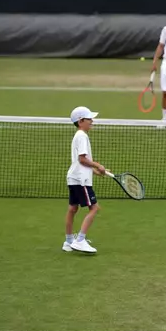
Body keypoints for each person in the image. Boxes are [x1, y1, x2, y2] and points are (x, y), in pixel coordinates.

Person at [63, 106, 106, 254]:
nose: (92, 121)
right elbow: (82, 159)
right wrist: (98, 165)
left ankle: (69, 241)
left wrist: (95, 171)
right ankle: (80, 241)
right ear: (80, 121)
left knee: (72, 209)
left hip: (74, 177)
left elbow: (79, 162)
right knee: (94, 208)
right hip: (81, 181)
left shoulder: (79, 135)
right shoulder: (82, 136)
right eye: (89, 119)